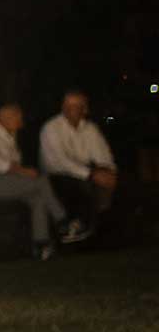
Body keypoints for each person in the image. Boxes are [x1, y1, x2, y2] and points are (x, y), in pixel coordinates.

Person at [0, 102, 87, 259]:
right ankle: (63, 223)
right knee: (40, 181)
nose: (21, 121)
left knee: (38, 199)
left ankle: (41, 245)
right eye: (18, 117)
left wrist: (22, 172)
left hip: (10, 181)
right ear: (5, 117)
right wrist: (22, 171)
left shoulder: (8, 136)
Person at [39, 90, 117, 232]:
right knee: (82, 186)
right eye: (67, 106)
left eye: (76, 106)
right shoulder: (51, 128)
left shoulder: (90, 129)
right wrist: (92, 174)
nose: (70, 110)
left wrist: (107, 171)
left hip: (85, 173)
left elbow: (103, 155)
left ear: (85, 109)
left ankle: (97, 230)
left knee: (110, 182)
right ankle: (79, 229)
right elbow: (60, 162)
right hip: (57, 176)